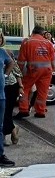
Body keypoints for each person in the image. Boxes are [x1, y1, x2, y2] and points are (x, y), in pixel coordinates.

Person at [16, 26, 55, 119]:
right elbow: (52, 59)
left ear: (33, 32)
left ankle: (23, 110)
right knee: (43, 91)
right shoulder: (48, 43)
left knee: (24, 88)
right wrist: (54, 69)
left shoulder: (27, 42)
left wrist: (18, 72)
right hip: (47, 71)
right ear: (42, 34)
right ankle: (40, 112)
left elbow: (21, 60)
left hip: (33, 70)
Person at [1, 31, 21, 148]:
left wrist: (21, 86)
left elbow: (16, 69)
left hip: (9, 86)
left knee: (6, 113)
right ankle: (13, 128)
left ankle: (4, 137)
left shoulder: (5, 52)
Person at [0, 32, 16, 165]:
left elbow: (11, 63)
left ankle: (0, 155)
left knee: (0, 127)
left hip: (1, 96)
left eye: (0, 37)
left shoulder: (2, 52)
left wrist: (5, 75)